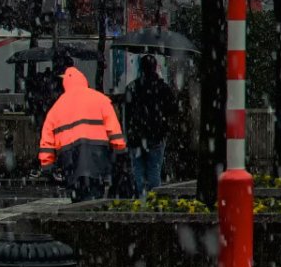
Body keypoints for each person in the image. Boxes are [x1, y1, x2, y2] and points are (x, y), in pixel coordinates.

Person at [38, 67, 126, 201]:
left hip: (70, 157)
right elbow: (114, 130)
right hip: (97, 155)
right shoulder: (101, 100)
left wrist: (47, 165)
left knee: (77, 196)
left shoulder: (56, 108)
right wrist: (119, 151)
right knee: (96, 195)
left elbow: (47, 140)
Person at [122, 56, 182, 196]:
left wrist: (129, 134)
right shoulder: (162, 88)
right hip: (156, 135)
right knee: (154, 171)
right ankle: (154, 200)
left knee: (139, 171)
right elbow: (173, 110)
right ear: (155, 68)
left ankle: (141, 200)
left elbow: (127, 114)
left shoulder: (132, 87)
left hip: (136, 136)